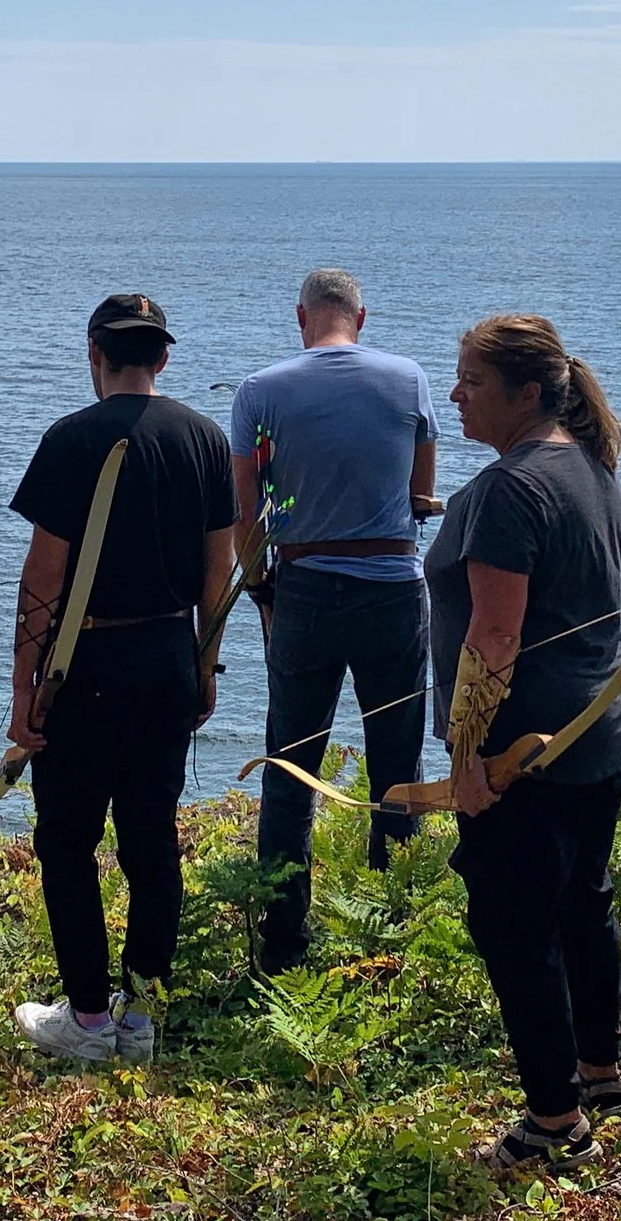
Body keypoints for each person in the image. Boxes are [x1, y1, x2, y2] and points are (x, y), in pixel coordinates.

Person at [424, 313, 621, 1169]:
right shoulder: (586, 459)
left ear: (523, 393)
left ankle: (555, 1125)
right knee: (583, 900)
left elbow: (497, 636)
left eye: (471, 381)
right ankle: (598, 1070)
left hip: (528, 750)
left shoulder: (511, 488)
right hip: (601, 725)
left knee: (515, 928)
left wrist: (467, 758)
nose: (455, 394)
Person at [5, 294, 236, 1063]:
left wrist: (22, 688)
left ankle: (89, 1017)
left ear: (94, 352)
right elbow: (218, 568)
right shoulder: (205, 439)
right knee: (151, 839)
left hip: (87, 663)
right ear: (162, 357)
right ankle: (140, 1018)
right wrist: (204, 663)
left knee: (67, 839)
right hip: (170, 653)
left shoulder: (72, 438)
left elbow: (44, 576)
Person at [228, 267, 441, 974]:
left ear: (301, 318)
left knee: (290, 769)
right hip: (392, 589)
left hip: (307, 589)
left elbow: (247, 514)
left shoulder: (260, 390)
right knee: (397, 766)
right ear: (362, 316)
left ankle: (283, 944)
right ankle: (393, 931)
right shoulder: (408, 378)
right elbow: (421, 493)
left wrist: (260, 587)